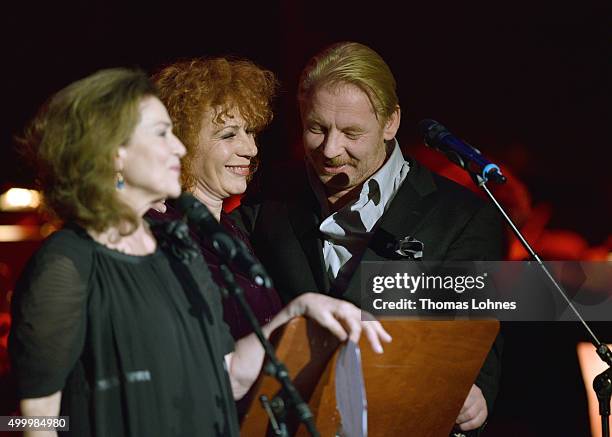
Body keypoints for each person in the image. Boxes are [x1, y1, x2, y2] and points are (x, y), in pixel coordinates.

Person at [8, 67, 390, 437]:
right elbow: (31, 418)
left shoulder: (177, 250)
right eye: (162, 134)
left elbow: (227, 373)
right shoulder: (67, 263)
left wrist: (300, 309)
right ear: (115, 153)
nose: (178, 144)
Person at [237, 42, 504, 434]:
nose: (330, 149)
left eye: (351, 132)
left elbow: (475, 341)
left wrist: (476, 392)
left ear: (391, 122)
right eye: (316, 128)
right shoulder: (265, 197)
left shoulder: (461, 217)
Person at [150, 57, 393, 419]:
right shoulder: (155, 236)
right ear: (179, 142)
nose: (250, 148)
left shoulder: (234, 231)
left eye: (250, 132)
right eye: (229, 134)